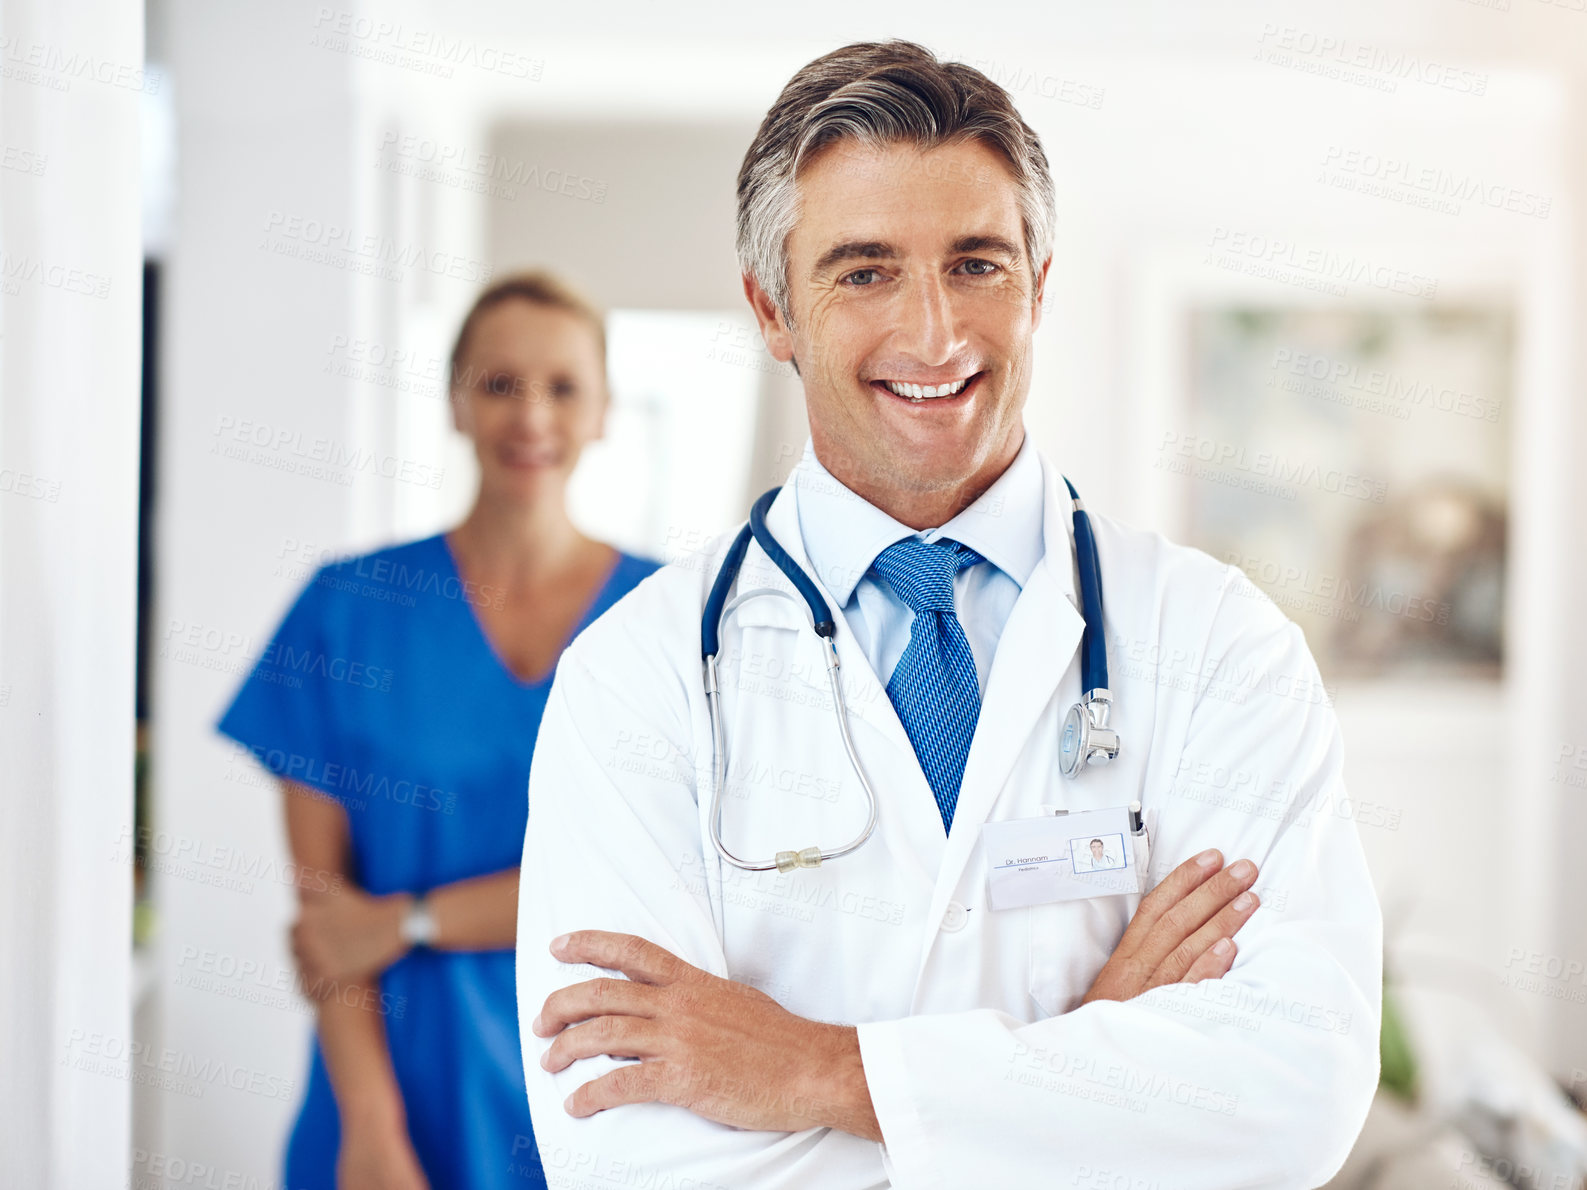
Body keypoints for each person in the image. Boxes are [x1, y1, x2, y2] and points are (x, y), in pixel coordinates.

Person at [514, 42, 1382, 1188]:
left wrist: (819, 1070)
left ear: (1038, 284)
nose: (934, 335)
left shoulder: (1216, 642)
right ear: (770, 307)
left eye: (975, 264)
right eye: (863, 271)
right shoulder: (638, 677)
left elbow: (1290, 1090)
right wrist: (1089, 1049)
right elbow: (620, 1146)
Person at [217, 271, 659, 1189]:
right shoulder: (347, 610)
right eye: (499, 384)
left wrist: (410, 920)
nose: (530, 415)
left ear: (605, 411)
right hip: (390, 1097)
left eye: (562, 387)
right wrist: (372, 1131)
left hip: (606, 1099)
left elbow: (654, 882)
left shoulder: (663, 621)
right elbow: (327, 919)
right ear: (456, 401)